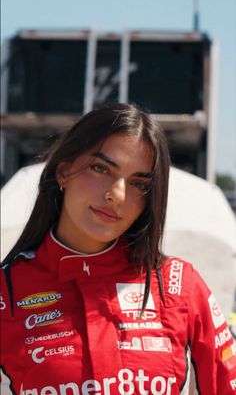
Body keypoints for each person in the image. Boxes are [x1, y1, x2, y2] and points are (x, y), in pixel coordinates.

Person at [0, 103, 235, 395]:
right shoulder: (5, 294)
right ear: (63, 172)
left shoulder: (178, 287)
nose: (118, 195)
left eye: (139, 184)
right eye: (101, 169)